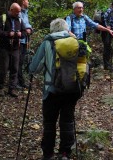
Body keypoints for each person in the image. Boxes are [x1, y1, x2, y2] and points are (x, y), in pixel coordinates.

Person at [29, 18, 80, 160]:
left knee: (50, 123)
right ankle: (65, 153)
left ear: (53, 29)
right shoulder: (75, 41)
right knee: (67, 121)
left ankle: (48, 154)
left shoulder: (47, 42)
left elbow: (34, 68)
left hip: (52, 90)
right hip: (72, 89)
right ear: (66, 28)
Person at [0, 3, 27, 97]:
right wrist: (8, 34)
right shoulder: (3, 18)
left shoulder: (20, 20)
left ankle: (11, 89)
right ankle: (0, 88)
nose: (18, 13)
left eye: (19, 12)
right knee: (3, 69)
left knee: (15, 68)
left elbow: (25, 32)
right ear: (11, 10)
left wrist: (21, 34)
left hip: (16, 48)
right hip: (4, 47)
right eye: (17, 12)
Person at [17, 0, 33, 89]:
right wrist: (27, 28)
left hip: (24, 41)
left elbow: (28, 25)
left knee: (21, 62)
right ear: (23, 2)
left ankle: (20, 81)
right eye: (27, 1)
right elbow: (21, 24)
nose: (28, 3)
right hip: (19, 41)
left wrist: (30, 28)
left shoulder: (25, 13)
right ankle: (18, 82)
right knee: (18, 62)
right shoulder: (18, 13)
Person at [101, 0, 113, 70]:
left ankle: (108, 65)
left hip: (110, 31)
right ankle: (106, 65)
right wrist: (107, 26)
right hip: (106, 32)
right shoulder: (109, 10)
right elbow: (104, 18)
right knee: (107, 47)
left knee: (108, 47)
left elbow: (111, 20)